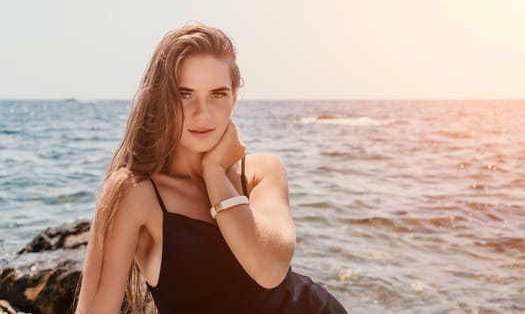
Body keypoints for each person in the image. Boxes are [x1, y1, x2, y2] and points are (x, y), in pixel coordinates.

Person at [75, 24, 347, 313]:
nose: (202, 113)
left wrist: (214, 173)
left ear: (234, 98)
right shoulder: (135, 193)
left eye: (217, 94)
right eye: (184, 94)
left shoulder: (260, 172)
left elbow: (270, 270)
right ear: (160, 99)